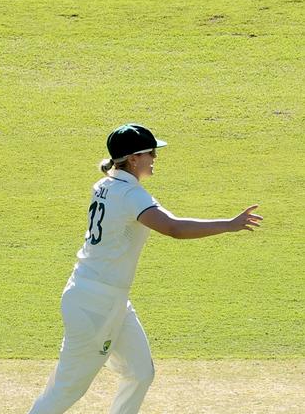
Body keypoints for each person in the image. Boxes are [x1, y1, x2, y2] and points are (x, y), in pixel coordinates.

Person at [28, 123, 262, 414]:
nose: (155, 158)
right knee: (66, 389)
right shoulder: (131, 195)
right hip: (94, 305)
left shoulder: (106, 184)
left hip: (107, 298)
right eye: (151, 153)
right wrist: (229, 224)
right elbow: (173, 228)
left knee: (139, 373)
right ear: (134, 158)